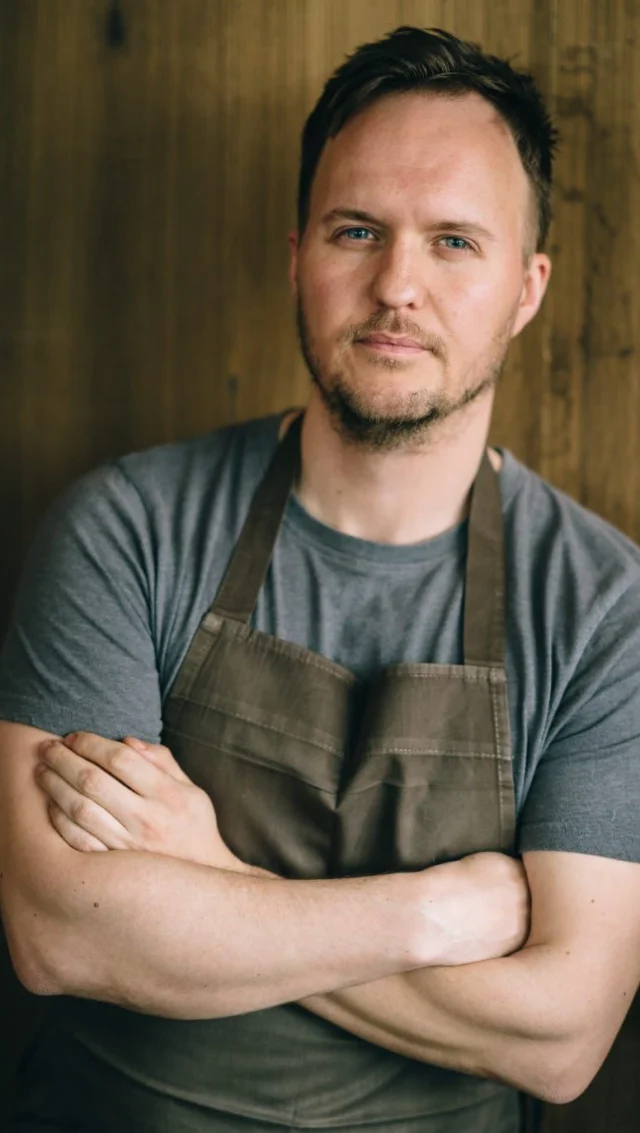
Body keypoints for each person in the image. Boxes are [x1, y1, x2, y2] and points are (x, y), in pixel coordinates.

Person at [0, 23, 639, 1133]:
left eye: (453, 241)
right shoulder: (124, 529)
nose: (397, 285)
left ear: (526, 288)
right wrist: (428, 913)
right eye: (358, 230)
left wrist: (212, 877)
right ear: (300, 256)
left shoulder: (603, 609)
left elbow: (563, 1035)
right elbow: (63, 932)